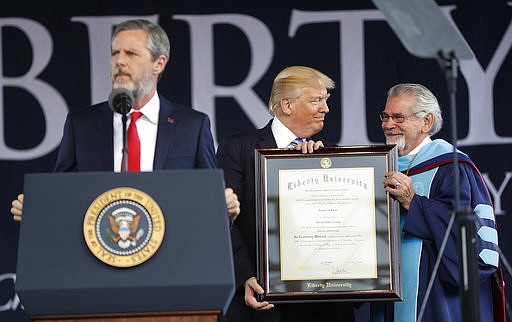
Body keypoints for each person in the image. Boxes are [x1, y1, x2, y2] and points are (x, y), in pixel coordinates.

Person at [11, 18, 241, 277]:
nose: (119, 61)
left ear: (159, 63)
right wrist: (37, 209)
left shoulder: (192, 125)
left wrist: (225, 209)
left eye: (131, 53)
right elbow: (62, 196)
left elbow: (210, 201)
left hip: (171, 269)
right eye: (114, 53)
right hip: (97, 268)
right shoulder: (82, 125)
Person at [216, 65, 355, 322]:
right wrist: (245, 275)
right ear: (287, 105)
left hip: (324, 306)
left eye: (326, 100)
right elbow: (224, 221)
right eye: (316, 100)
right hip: (262, 300)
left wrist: (320, 166)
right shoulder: (237, 148)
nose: (326, 108)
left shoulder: (330, 154)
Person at [379, 83, 504, 322]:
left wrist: (414, 202)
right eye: (385, 116)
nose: (387, 125)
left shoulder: (452, 167)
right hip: (388, 299)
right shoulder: (381, 165)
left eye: (398, 117)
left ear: (426, 122)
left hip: (436, 297)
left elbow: (470, 239)